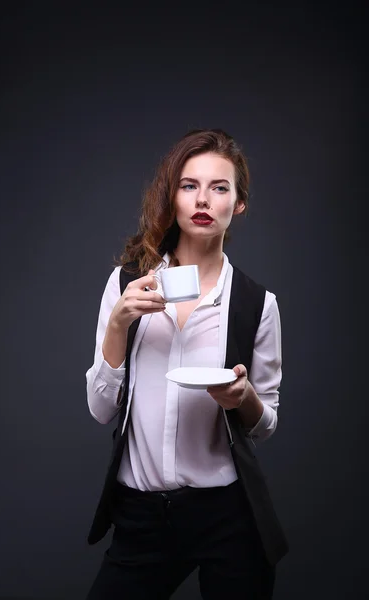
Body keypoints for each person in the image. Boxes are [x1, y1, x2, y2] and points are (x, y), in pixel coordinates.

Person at [85, 128, 288, 599]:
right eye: (189, 185)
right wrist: (118, 324)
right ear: (172, 195)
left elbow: (266, 424)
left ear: (238, 205)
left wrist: (244, 397)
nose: (203, 199)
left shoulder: (258, 304)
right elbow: (100, 410)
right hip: (141, 515)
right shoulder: (127, 283)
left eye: (220, 188)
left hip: (227, 515)